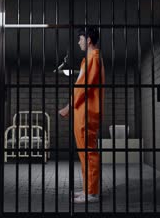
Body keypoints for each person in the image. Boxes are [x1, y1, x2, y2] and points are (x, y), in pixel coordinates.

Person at [59, 27, 105, 204]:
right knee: (85, 152)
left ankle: (92, 193)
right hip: (83, 112)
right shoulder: (88, 61)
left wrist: (68, 107)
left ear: (89, 40)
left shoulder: (93, 58)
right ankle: (88, 190)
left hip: (86, 112)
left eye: (80, 39)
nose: (78, 42)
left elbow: (84, 87)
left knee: (89, 152)